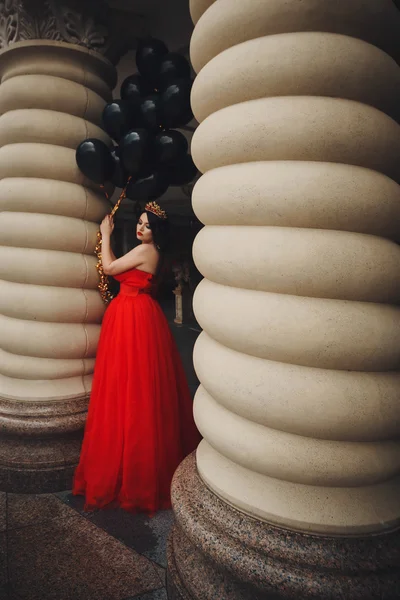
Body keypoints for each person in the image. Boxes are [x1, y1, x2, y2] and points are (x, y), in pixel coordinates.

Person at [73, 201, 201, 514]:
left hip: (133, 316)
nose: (140, 228)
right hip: (134, 313)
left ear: (155, 231)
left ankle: (134, 470)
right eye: (140, 223)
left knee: (131, 384)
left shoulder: (147, 250)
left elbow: (110, 268)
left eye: (145, 225)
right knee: (134, 382)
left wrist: (105, 235)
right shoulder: (149, 250)